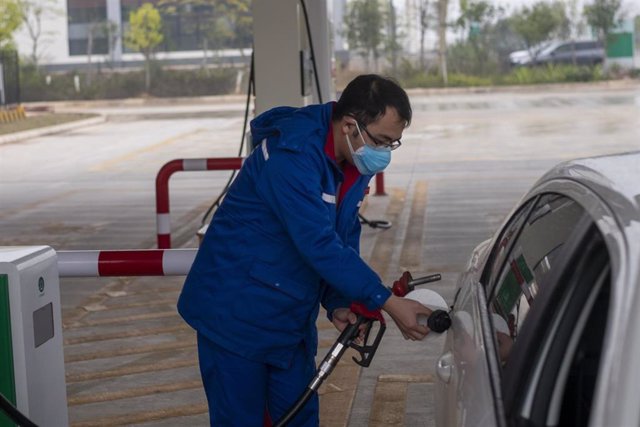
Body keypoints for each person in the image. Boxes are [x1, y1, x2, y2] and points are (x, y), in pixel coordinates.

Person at [177, 74, 433, 426]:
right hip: (236, 314)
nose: (384, 154)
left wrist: (340, 301)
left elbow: (342, 233)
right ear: (349, 126)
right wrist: (385, 300)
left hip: (287, 316)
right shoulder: (291, 157)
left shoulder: (354, 161)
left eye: (393, 144)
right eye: (382, 141)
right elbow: (318, 244)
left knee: (299, 417)